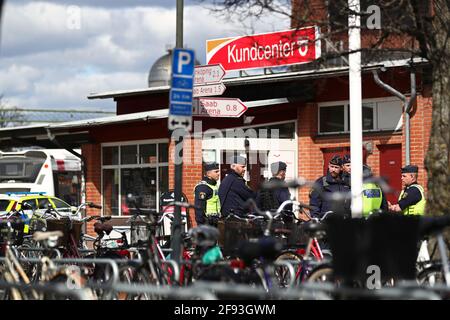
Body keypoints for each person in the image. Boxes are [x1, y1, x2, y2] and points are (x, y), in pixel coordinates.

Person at [193, 162, 221, 226]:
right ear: (208, 174)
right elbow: (199, 208)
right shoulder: (203, 187)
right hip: (207, 223)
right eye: (216, 172)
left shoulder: (214, 185)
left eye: (218, 171)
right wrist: (201, 225)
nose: (219, 173)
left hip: (215, 221)